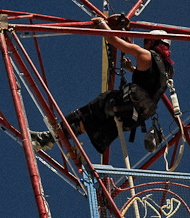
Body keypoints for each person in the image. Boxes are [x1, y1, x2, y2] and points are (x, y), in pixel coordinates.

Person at [30, 16, 174, 154]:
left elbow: (113, 40)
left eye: (146, 42)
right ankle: (48, 138)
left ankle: (48, 137)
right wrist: (131, 70)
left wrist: (101, 24)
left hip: (121, 104)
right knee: (90, 122)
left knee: (88, 111)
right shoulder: (168, 71)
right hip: (133, 117)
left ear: (152, 42)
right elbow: (150, 82)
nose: (145, 44)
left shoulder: (144, 55)